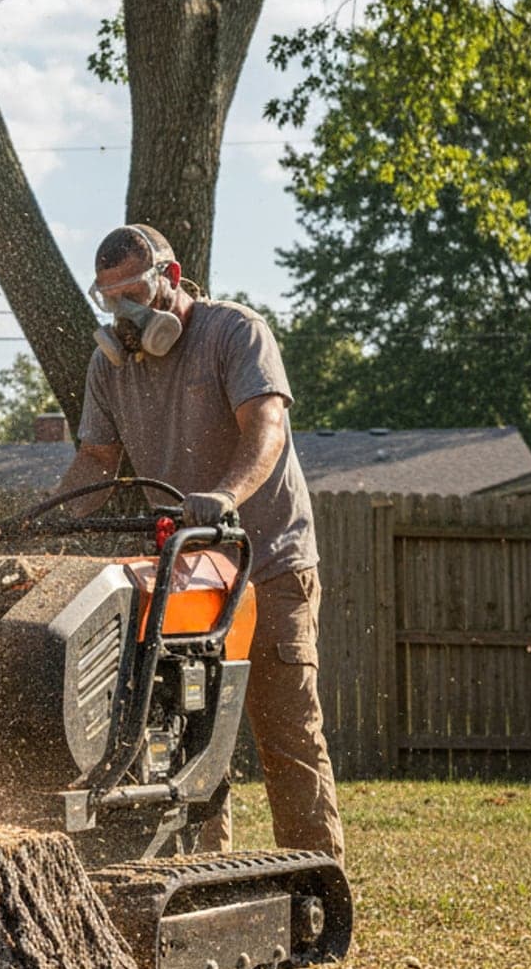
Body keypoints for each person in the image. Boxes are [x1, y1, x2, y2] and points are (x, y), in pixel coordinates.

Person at [54, 224, 344, 862]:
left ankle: (317, 880)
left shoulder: (233, 332)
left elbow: (266, 426)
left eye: (134, 292)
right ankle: (203, 873)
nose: (123, 312)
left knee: (287, 733)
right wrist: (46, 523)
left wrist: (225, 496)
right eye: (109, 299)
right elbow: (98, 461)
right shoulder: (111, 369)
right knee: (185, 735)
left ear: (172, 278)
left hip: (267, 563)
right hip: (188, 577)